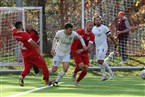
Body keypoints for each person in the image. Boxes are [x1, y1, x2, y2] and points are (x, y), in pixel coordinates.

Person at [9, 21, 51, 86]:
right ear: (21, 27)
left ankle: (22, 77)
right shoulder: (24, 34)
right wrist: (38, 47)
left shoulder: (15, 33)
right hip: (32, 53)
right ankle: (47, 81)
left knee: (27, 68)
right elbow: (31, 42)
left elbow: (12, 27)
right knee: (44, 66)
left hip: (25, 54)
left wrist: (9, 22)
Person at [92, 16, 117, 81]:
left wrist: (115, 43)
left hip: (103, 46)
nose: (97, 21)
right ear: (94, 21)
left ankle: (111, 73)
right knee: (99, 61)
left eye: (99, 20)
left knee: (100, 60)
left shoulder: (104, 28)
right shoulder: (93, 28)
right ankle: (104, 75)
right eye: (96, 20)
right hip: (97, 47)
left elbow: (110, 36)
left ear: (101, 21)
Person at [71, 20, 95, 86]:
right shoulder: (79, 32)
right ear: (86, 25)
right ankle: (75, 72)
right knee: (81, 66)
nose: (91, 27)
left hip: (84, 52)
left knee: (86, 68)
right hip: (76, 51)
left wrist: (83, 49)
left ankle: (77, 81)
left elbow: (89, 45)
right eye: (90, 25)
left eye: (92, 26)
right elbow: (71, 37)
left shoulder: (92, 35)